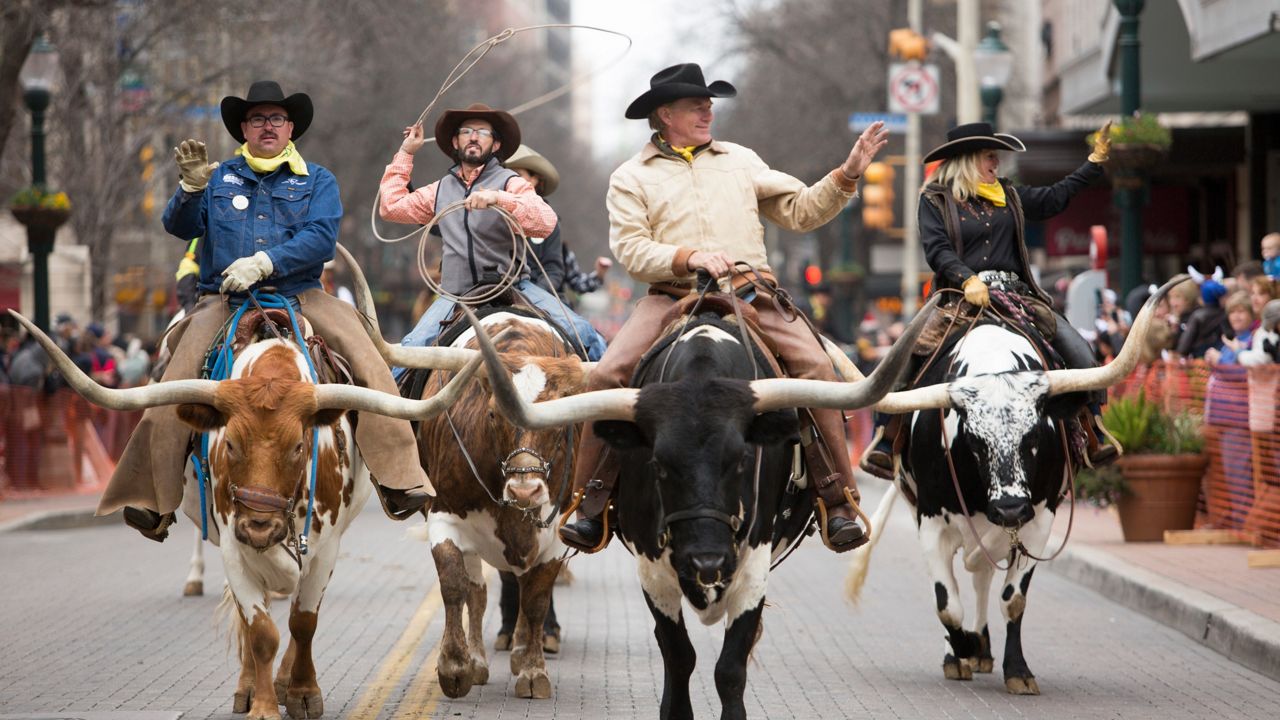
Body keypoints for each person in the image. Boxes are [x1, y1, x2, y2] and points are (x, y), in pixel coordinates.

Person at [558, 62, 890, 554]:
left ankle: (837, 501)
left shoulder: (741, 160)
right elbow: (631, 249)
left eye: (709, 103)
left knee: (819, 370)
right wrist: (687, 256)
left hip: (751, 292)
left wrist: (846, 174)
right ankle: (589, 504)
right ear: (665, 114)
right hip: (671, 294)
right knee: (608, 375)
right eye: (697, 105)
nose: (708, 111)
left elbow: (800, 211)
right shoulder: (630, 177)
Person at [105, 80, 432, 542]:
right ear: (243, 127)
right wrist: (191, 188)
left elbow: (320, 237)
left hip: (302, 295)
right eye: (257, 118)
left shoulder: (317, 179)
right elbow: (178, 226)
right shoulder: (218, 178)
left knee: (370, 364)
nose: (267, 126)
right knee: (172, 384)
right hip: (224, 299)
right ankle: (150, 497)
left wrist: (266, 262)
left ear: (291, 127)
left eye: (276, 118)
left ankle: (401, 479)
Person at [860, 120, 1119, 479]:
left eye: (995, 157)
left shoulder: (1010, 195)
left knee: (1081, 352)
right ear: (967, 160)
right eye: (989, 157)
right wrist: (966, 279)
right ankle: (888, 440)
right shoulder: (933, 199)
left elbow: (1055, 197)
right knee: (904, 356)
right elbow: (937, 250)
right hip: (957, 298)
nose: (996, 164)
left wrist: (1093, 162)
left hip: (1017, 297)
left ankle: (1093, 431)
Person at [379, 104, 605, 365]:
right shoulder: (439, 190)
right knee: (410, 352)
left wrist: (499, 198)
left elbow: (545, 221)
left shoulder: (511, 182)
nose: (474, 137)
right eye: (466, 131)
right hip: (455, 293)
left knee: (586, 334)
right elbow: (391, 207)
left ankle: (605, 396)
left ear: (495, 145)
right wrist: (406, 153)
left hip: (513, 285)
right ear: (456, 141)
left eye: (482, 132)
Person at [503, 144, 612, 339]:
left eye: (517, 174)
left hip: (540, 294)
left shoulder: (551, 224)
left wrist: (599, 275)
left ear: (535, 180)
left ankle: (599, 363)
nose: (511, 181)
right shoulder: (490, 213)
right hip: (494, 291)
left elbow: (560, 273)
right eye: (507, 175)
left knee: (588, 336)